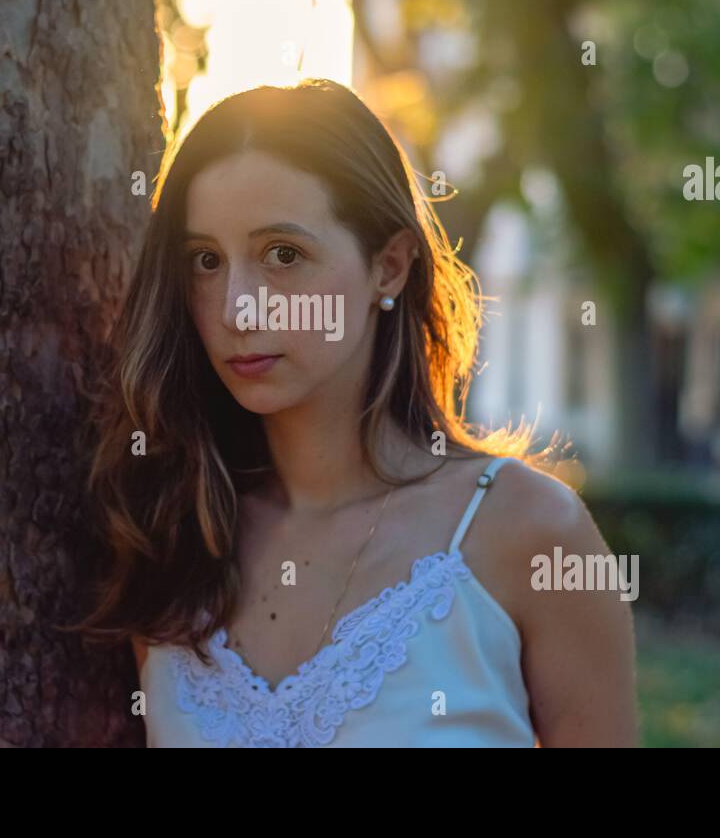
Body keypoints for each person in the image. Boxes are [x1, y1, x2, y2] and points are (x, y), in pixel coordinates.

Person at [70, 79, 637, 747]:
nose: (236, 308)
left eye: (284, 255)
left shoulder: (528, 533)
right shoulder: (171, 531)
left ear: (388, 267)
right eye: (205, 261)